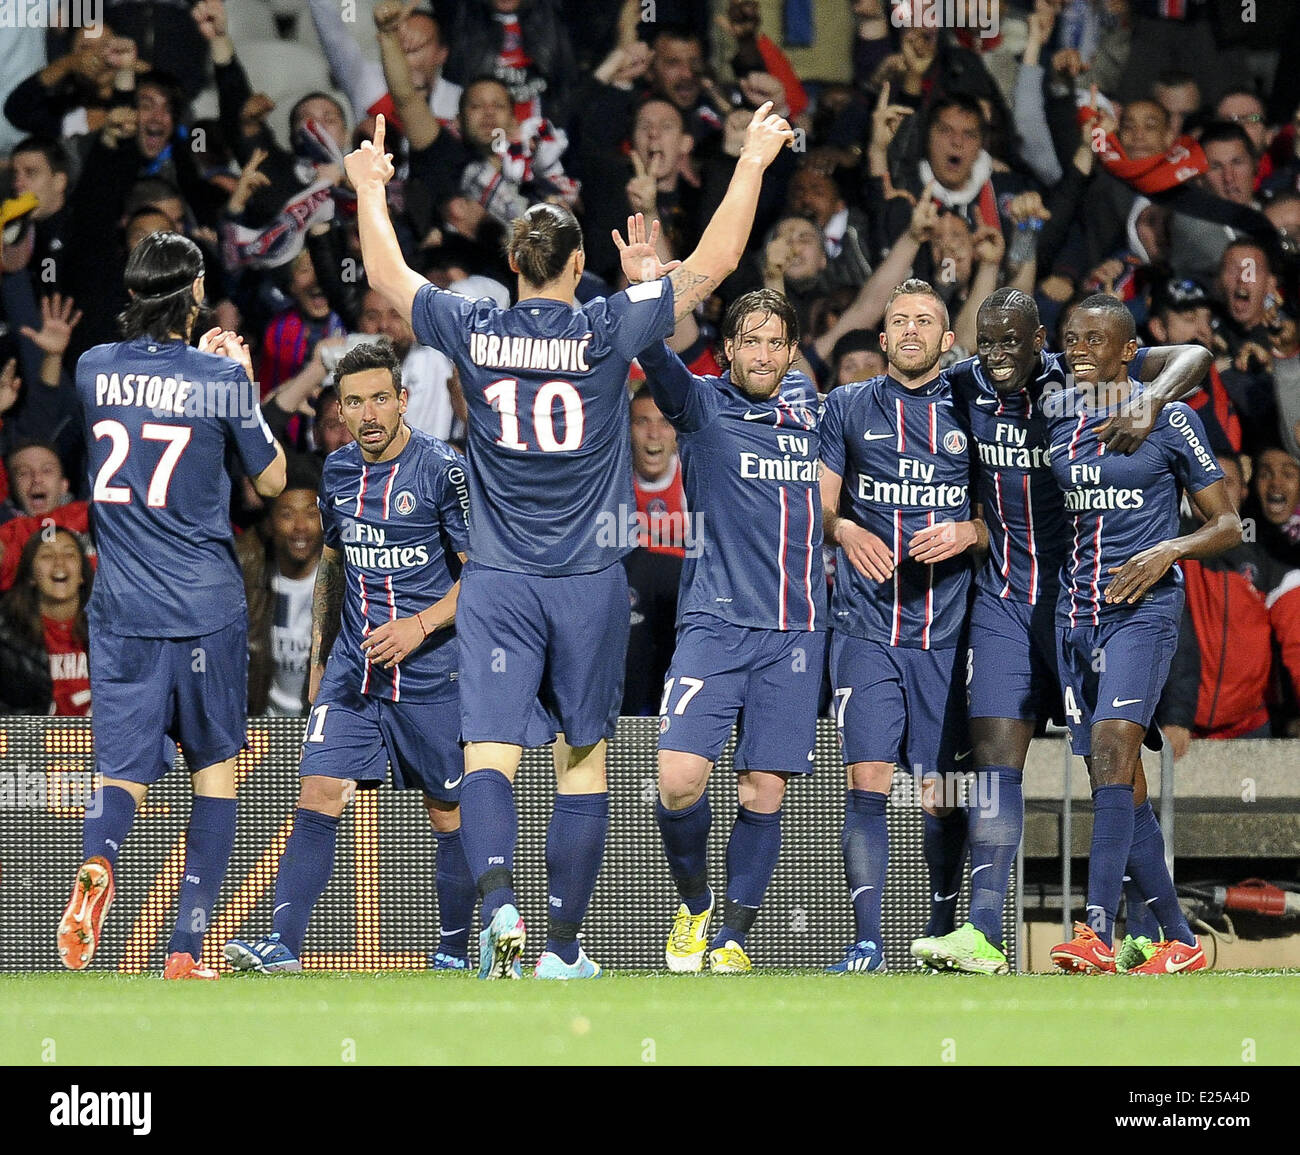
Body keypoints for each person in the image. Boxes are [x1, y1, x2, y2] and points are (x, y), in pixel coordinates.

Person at [346, 103, 795, 980]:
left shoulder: (472, 326)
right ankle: (558, 949)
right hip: (590, 577)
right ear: (582, 267)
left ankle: (501, 898)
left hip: (499, 578)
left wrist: (370, 186)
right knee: (581, 764)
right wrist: (749, 160)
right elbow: (717, 265)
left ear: (512, 264)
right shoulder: (605, 327)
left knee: (488, 755)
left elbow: (386, 271)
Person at [909, 286, 1214, 975]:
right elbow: (914, 370)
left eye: (1013, 341)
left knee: (1115, 769)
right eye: (986, 342)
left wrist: (1151, 397)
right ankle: (985, 930)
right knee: (995, 764)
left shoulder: (1074, 379)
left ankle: (1163, 928)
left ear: (1039, 339)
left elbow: (1191, 355)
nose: (998, 356)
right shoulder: (966, 382)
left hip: (1082, 600)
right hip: (1005, 600)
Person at [58, 231, 286, 979]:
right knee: (215, 771)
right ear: (193, 297)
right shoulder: (219, 378)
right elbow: (275, 482)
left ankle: (98, 862)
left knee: (120, 774)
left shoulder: (92, 368)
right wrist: (239, 379)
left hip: (121, 608)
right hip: (204, 608)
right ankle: (185, 950)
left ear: (130, 294)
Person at [224, 342, 486, 975]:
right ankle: (283, 946)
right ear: (337, 408)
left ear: (402, 400)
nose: (367, 414)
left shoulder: (444, 471)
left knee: (446, 811)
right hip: (354, 669)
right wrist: (320, 654)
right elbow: (334, 564)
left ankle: (452, 951)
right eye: (352, 402)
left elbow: (484, 575)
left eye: (378, 399)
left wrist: (419, 626)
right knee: (316, 789)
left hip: (432, 668)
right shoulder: (336, 474)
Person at [1045, 294, 1240, 976]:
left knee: (1112, 750)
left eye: (1095, 339)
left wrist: (1168, 550)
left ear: (1129, 350)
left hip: (1146, 611)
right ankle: (1180, 939)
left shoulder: (1170, 416)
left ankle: (1096, 930)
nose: (1079, 349)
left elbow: (1228, 526)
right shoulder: (1054, 413)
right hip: (1076, 616)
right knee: (1121, 784)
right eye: (1071, 337)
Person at [636, 288, 823, 975]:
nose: (764, 354)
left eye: (776, 341)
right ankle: (694, 903)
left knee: (762, 791)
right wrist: (646, 294)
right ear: (728, 348)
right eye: (751, 340)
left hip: (797, 629)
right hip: (715, 621)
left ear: (793, 350)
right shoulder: (701, 404)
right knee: (679, 779)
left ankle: (733, 938)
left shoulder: (814, 411)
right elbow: (652, 356)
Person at [818, 278, 985, 974]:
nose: (911, 330)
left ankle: (943, 926)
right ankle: (866, 942)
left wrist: (968, 531)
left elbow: (1001, 515)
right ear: (882, 338)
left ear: (949, 341)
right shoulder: (847, 406)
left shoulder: (973, 411)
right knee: (868, 779)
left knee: (943, 796)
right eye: (900, 321)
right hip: (864, 628)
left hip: (946, 632)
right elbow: (821, 511)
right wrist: (845, 528)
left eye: (926, 321)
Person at [237, 457, 325, 717]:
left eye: (311, 514)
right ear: (270, 522)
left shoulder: (342, 578)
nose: (300, 527)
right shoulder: (247, 568)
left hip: (320, 724)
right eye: (287, 514)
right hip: (263, 726)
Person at [623, 386, 686, 717]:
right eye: (642, 422)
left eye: (664, 423)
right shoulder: (612, 479)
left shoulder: (695, 474)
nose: (653, 434)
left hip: (687, 600)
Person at [0, 527, 94, 716]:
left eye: (69, 554)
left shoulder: (111, 633)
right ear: (31, 576)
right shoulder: (6, 638)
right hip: (29, 743)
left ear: (82, 574)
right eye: (46, 556)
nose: (59, 563)